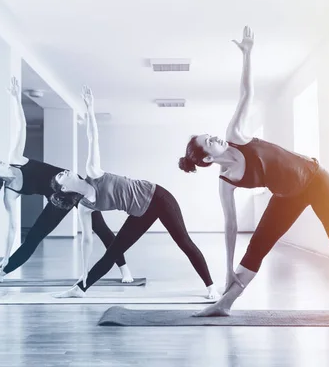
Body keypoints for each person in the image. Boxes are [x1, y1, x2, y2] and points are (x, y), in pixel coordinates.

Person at [178, 26, 329, 322]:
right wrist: (226, 269)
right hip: (287, 195)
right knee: (257, 246)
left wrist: (248, 55)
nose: (215, 137)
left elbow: (246, 93)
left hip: (316, 179)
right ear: (208, 158)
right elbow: (231, 227)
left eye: (210, 134)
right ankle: (225, 303)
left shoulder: (235, 134)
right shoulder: (226, 182)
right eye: (209, 141)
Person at [52, 86, 219, 299]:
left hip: (158, 197)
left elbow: (93, 137)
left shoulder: (93, 172)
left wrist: (90, 109)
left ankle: (211, 286)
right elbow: (86, 241)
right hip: (140, 212)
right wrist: (83, 271)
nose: (64, 171)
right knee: (113, 251)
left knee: (183, 242)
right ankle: (80, 288)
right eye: (60, 176)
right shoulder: (85, 208)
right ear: (65, 189)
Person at [0, 77, 134, 284]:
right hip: (58, 201)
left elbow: (21, 126)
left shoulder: (15, 159)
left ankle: (125, 270)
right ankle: (0, 274)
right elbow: (12, 229)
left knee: (101, 230)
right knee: (33, 238)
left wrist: (15, 99)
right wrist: (5, 257)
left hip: (74, 186)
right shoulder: (9, 194)